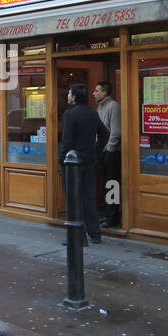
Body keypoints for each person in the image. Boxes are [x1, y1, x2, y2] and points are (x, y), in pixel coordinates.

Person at [57, 82, 108, 244]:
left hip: (72, 163)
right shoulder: (92, 113)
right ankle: (95, 234)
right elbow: (104, 133)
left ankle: (78, 236)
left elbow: (67, 141)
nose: (68, 96)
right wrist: (96, 151)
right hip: (88, 161)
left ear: (74, 97)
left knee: (73, 199)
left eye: (69, 93)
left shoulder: (70, 114)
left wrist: (62, 159)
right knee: (88, 198)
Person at [94, 81, 122, 228]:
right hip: (102, 151)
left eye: (97, 91)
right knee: (106, 183)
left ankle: (113, 216)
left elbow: (116, 131)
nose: (94, 93)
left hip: (112, 153)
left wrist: (109, 149)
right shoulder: (100, 107)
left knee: (112, 184)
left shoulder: (113, 106)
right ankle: (108, 214)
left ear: (104, 92)